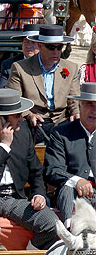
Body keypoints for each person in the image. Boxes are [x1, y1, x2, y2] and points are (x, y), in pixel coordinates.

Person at [0, 88, 58, 255]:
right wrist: (4, 145)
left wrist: (39, 195)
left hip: (16, 199)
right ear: (0, 120)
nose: (22, 119)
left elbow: (36, 172)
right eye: (17, 116)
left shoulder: (24, 134)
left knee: (52, 224)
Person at [6, 24, 80, 143]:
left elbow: (74, 99)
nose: (56, 52)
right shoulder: (20, 68)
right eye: (51, 47)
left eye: (59, 47)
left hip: (61, 120)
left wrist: (76, 113)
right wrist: (28, 114)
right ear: (40, 46)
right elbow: (14, 99)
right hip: (34, 121)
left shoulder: (71, 68)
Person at [44, 82, 96, 227]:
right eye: (89, 104)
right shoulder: (61, 134)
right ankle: (71, 232)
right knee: (67, 187)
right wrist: (77, 181)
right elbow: (52, 170)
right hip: (73, 195)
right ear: (79, 106)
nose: (94, 111)